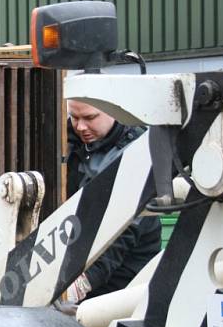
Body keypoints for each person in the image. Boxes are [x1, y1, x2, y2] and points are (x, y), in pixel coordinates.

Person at [65, 99, 161, 302]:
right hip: (73, 256)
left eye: (90, 118)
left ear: (115, 111)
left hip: (124, 274)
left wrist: (84, 282)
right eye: (75, 117)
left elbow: (124, 233)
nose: (81, 127)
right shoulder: (66, 141)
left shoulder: (139, 152)